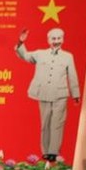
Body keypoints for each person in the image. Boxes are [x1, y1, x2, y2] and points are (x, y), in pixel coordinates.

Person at [15, 28, 80, 162]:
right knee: (45, 123)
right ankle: (45, 151)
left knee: (57, 123)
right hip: (43, 93)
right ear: (48, 40)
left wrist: (75, 94)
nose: (56, 41)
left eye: (59, 38)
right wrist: (21, 42)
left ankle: (53, 152)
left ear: (63, 39)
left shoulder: (68, 56)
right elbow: (25, 56)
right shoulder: (40, 54)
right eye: (53, 38)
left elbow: (72, 76)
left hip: (60, 94)